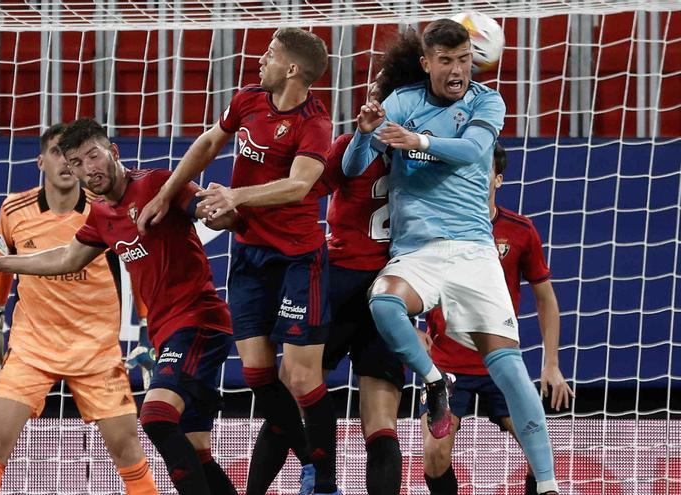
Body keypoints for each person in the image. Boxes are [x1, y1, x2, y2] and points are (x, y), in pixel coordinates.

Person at [0, 118, 237, 495]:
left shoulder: (154, 185)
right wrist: (0, 266)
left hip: (169, 330)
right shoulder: (100, 215)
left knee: (152, 422)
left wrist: (223, 212)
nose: (85, 168)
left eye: (92, 156)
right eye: (75, 161)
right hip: (45, 346)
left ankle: (315, 471)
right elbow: (66, 258)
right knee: (196, 449)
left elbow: (211, 210)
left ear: (113, 151)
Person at [343, 20, 559, 495]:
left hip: (473, 252)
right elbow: (353, 169)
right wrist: (363, 135)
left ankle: (547, 485)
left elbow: (473, 150)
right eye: (447, 61)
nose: (458, 69)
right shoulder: (402, 103)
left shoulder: (486, 101)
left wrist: (417, 142)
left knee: (511, 371)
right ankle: (435, 381)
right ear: (427, 63)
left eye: (465, 60)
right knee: (383, 301)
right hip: (417, 252)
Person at [136, 27, 336, 495]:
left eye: (269, 55)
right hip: (249, 252)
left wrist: (235, 195)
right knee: (257, 374)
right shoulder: (247, 99)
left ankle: (323, 478)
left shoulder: (315, 122)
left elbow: (299, 186)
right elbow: (208, 144)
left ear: (291, 69)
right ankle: (309, 458)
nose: (259, 60)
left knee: (303, 376)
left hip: (297, 258)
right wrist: (167, 194)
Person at [0, 124, 158, 495]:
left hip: (97, 349)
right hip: (32, 348)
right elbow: (1, 265)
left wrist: (147, 330)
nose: (65, 163)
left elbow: (137, 268)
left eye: (71, 156)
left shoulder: (105, 209)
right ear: (41, 161)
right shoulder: (13, 209)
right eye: (57, 153)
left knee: (129, 451)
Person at [419, 143, 573, 495]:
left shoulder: (519, 230)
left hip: (501, 365)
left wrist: (551, 365)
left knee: (540, 455)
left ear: (497, 179)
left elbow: (545, 298)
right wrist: (412, 326)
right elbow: (406, 280)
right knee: (434, 455)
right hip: (447, 368)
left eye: (482, 170)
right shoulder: (435, 227)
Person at [316, 77, 410, 495]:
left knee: (299, 388)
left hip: (339, 277)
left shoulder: (344, 144)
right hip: (390, 286)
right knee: (381, 420)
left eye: (376, 95)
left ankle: (318, 484)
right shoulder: (421, 154)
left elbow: (311, 189)